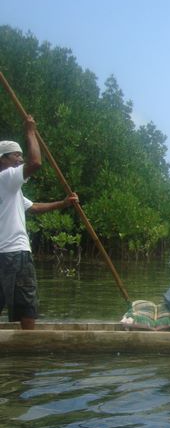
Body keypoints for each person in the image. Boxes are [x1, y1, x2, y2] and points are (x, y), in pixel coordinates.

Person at [1, 116, 79, 330]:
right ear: (2, 159)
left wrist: (63, 203)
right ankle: (28, 348)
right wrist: (30, 132)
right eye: (15, 155)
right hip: (14, 254)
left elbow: (33, 207)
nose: (20, 159)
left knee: (19, 304)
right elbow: (35, 162)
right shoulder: (6, 178)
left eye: (20, 154)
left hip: (5, 255)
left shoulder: (10, 189)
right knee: (27, 308)